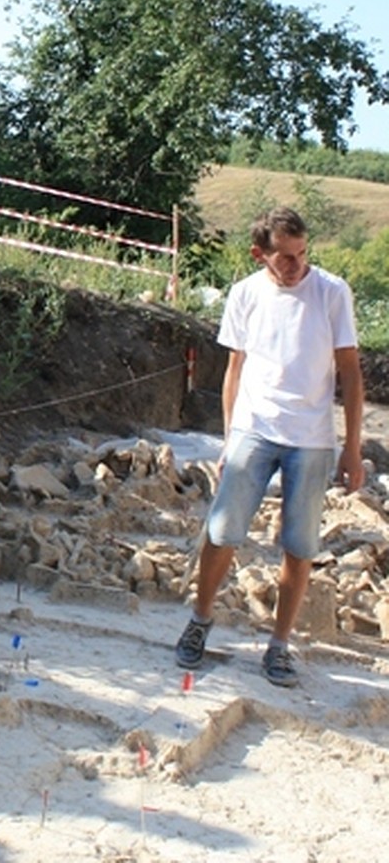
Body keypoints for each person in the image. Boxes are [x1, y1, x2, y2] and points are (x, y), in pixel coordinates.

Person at [174, 207, 364, 688]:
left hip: (312, 439)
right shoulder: (245, 294)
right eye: (286, 257)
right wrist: (230, 435)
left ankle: (279, 646)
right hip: (254, 430)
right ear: (261, 254)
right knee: (222, 531)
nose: (298, 265)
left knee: (298, 546)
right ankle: (199, 622)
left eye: (303, 254)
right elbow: (235, 368)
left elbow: (350, 372)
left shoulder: (332, 292)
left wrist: (352, 447)